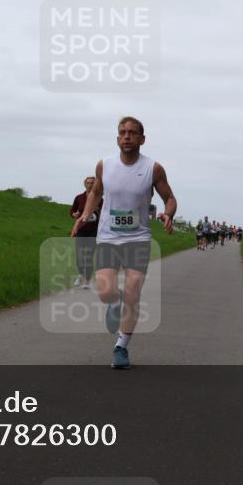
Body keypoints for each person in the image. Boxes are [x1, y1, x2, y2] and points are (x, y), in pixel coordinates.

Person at [71, 117, 177, 370]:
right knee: (106, 290)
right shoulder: (104, 165)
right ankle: (114, 304)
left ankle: (121, 347)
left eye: (132, 133)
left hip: (138, 239)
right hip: (108, 237)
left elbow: (169, 197)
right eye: (122, 132)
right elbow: (96, 192)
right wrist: (86, 214)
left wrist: (168, 214)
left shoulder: (153, 168)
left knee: (133, 293)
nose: (127, 136)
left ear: (142, 139)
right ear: (117, 138)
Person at [69, 176, 101, 289]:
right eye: (88, 183)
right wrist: (74, 214)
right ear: (85, 184)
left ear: (95, 184)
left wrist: (99, 211)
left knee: (88, 256)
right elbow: (72, 211)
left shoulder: (100, 199)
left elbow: (105, 215)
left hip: (94, 231)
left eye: (92, 183)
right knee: (79, 255)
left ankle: (87, 280)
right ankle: (80, 275)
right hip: (81, 230)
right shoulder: (79, 198)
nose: (90, 185)